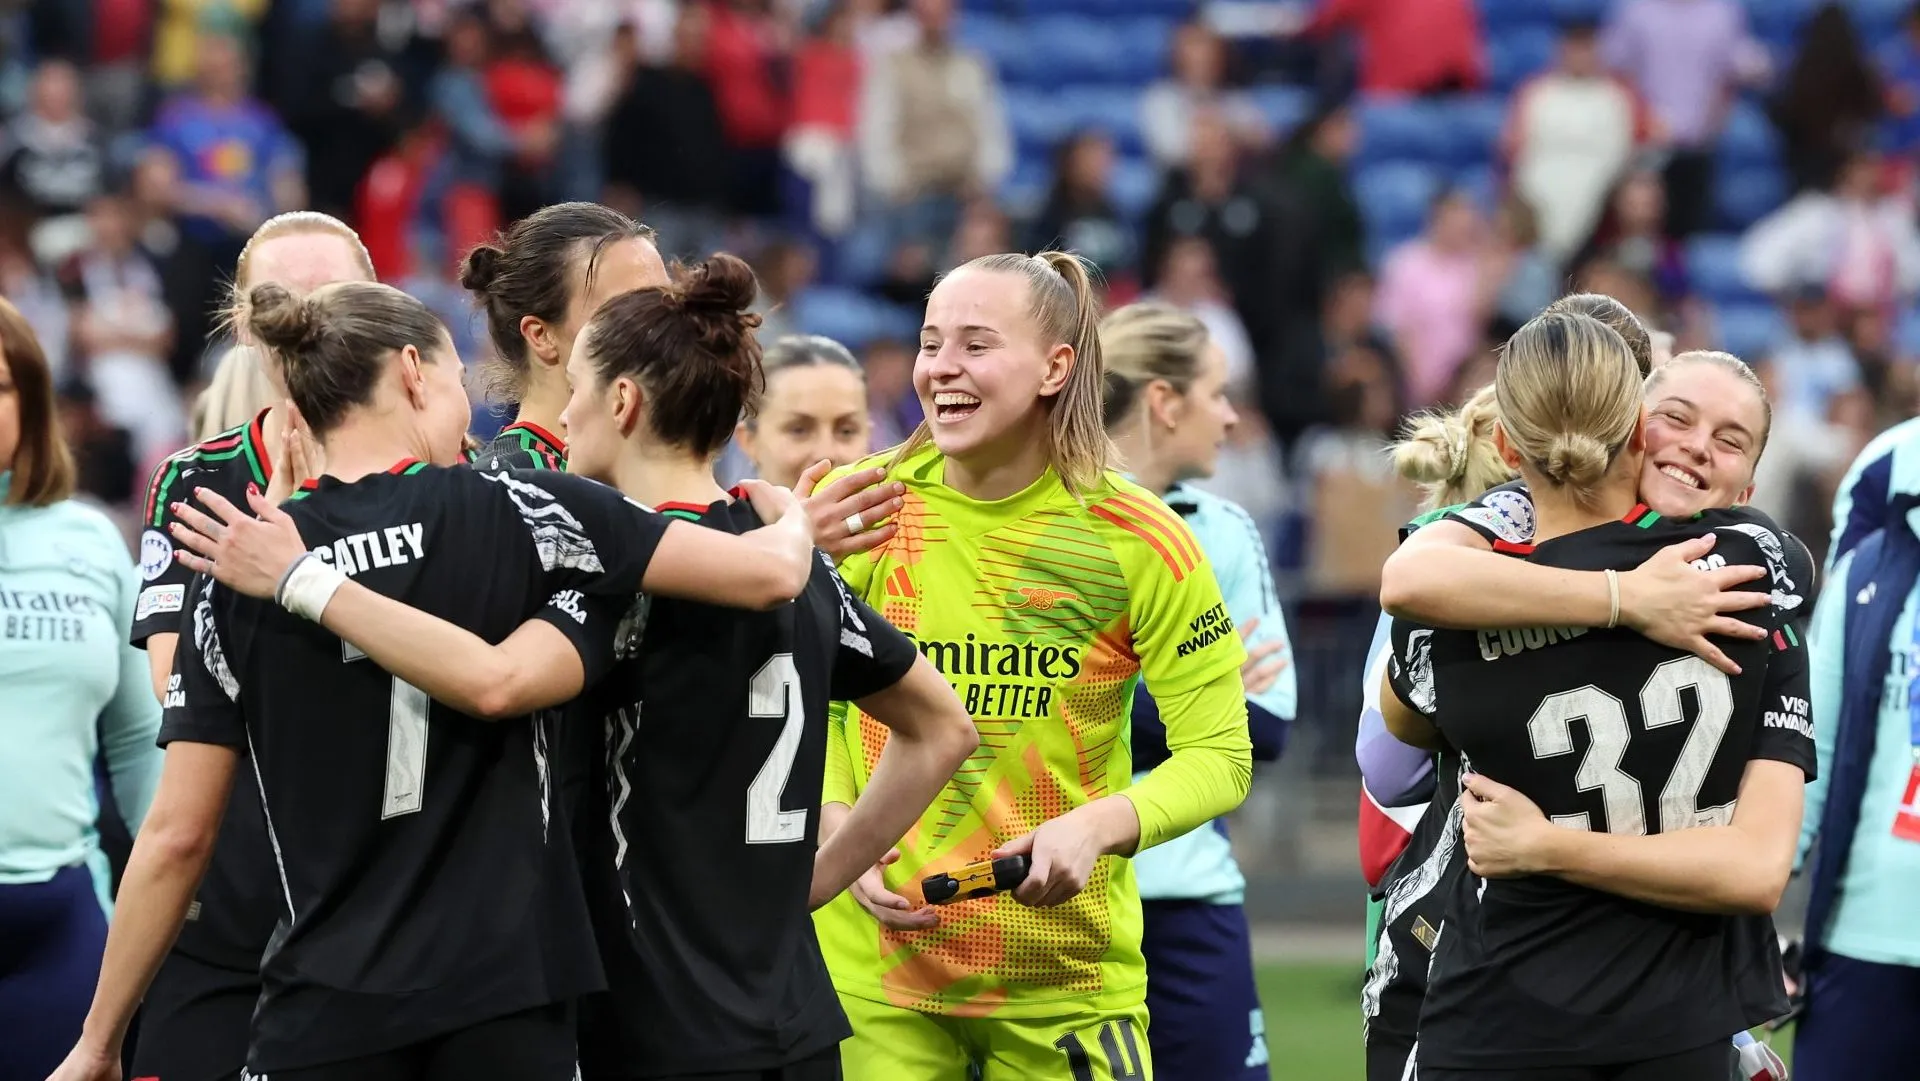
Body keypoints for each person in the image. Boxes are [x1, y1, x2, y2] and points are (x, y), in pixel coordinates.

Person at [156, 256, 982, 1081]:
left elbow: (496, 680)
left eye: (577, 390)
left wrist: (314, 561)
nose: (559, 415)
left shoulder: (606, 584)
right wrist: (812, 881)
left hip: (653, 1019)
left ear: (620, 402)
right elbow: (946, 727)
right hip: (796, 1020)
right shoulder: (795, 567)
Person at [47, 277, 822, 1081]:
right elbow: (764, 575)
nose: (469, 406)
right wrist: (793, 518)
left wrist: (99, 1041)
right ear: (413, 371)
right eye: (458, 377)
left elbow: (176, 835)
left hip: (327, 1005)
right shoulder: (528, 510)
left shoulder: (238, 575)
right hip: (507, 998)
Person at [813, 251, 1253, 1080]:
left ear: (1057, 366)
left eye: (976, 344)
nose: (942, 366)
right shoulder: (864, 506)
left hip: (1065, 983)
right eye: (930, 341)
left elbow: (1220, 756)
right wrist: (843, 821)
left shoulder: (1140, 536)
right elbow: (836, 705)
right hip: (876, 978)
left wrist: (1099, 825)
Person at [1377, 311, 1813, 1078]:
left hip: (1492, 1011)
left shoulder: (1455, 607)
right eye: (1677, 418)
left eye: (1729, 436)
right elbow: (1754, 869)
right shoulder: (1756, 580)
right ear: (1636, 429)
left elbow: (1394, 737)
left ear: (1509, 447)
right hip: (1678, 1026)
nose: (1695, 446)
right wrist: (1626, 598)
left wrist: (1549, 845)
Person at [126, 209, 375, 1081]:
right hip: (230, 903)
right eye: (279, 300)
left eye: (333, 297)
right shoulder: (197, 478)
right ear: (239, 323)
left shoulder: (442, 473)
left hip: (388, 908)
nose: (306, 319)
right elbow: (172, 687)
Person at [1097, 301, 1294, 1080]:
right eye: (1216, 392)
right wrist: (1199, 698)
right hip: (1057, 898)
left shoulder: (1225, 530)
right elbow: (1015, 712)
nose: (1231, 414)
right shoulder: (1043, 522)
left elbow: (1267, 729)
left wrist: (1114, 697)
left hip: (1191, 899)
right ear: (1162, 401)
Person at [0, 298, 161, 1081]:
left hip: (60, 921)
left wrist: (179, 905)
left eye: (2, 385)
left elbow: (137, 742)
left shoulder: (90, 538)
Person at [459, 202, 668, 471]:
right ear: (541, 336)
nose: (665, 326)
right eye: (627, 309)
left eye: (666, 304)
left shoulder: (652, 478)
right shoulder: (507, 492)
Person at [733, 334, 873, 491]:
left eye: (847, 431)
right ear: (749, 440)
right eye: (799, 430)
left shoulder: (901, 512)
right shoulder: (710, 515)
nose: (826, 454)